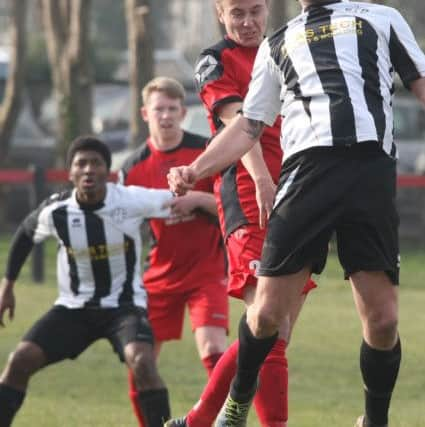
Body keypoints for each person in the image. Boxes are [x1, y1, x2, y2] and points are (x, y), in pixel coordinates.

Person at [167, 0, 425, 426]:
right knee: (267, 313)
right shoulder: (279, 43)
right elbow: (249, 124)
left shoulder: (380, 19)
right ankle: (236, 402)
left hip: (369, 175)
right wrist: (195, 169)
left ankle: (374, 420)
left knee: (383, 319)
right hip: (306, 176)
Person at [166, 1, 316, 426]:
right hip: (248, 194)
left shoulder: (284, 47)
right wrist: (264, 179)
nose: (247, 22)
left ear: (266, 9)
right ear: (220, 14)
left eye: (254, 11)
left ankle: (199, 419)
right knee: (269, 325)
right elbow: (241, 123)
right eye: (237, 14)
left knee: (275, 329)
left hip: (300, 191)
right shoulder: (215, 60)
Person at [0, 136, 173, 427]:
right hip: (74, 308)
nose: (89, 170)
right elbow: (26, 233)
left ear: (108, 171)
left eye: (96, 163)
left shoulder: (131, 199)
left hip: (124, 306)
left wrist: (208, 200)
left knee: (142, 361)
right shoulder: (57, 211)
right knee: (20, 360)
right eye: (81, 164)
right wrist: (7, 286)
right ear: (70, 173)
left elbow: (177, 199)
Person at [119, 77, 228, 426]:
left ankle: (216, 420)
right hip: (159, 277)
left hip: (207, 271)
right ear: (144, 114)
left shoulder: (206, 153)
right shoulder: (132, 168)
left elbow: (232, 203)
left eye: (171, 109)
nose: (165, 116)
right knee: (141, 360)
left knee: (214, 350)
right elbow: (122, 225)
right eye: (158, 109)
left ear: (183, 112)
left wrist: (197, 199)